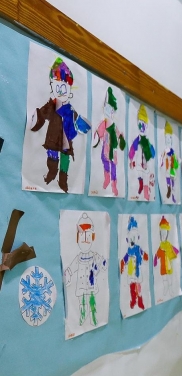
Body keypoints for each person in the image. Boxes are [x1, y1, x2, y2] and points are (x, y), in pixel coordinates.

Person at [30, 58, 91, 192]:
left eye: (64, 87)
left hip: (66, 143)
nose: (61, 90)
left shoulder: (70, 110)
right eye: (57, 86)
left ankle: (63, 181)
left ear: (70, 90)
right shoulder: (51, 106)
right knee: (52, 157)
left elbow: (78, 124)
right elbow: (41, 115)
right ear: (52, 87)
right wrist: (36, 120)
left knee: (65, 161)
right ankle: (51, 174)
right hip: (52, 139)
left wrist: (83, 126)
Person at [64, 213, 108, 326]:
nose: (85, 240)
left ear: (92, 237)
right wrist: (68, 273)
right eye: (82, 237)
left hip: (91, 284)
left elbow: (103, 262)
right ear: (77, 238)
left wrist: (101, 264)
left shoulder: (94, 255)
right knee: (82, 301)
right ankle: (83, 316)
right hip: (81, 284)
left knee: (92, 300)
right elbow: (71, 268)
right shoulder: (78, 258)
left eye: (87, 237)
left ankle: (93, 315)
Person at [92, 87, 125, 196]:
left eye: (110, 109)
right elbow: (98, 134)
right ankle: (107, 178)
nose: (108, 111)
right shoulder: (103, 124)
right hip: (104, 149)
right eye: (106, 108)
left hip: (113, 151)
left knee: (113, 166)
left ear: (113, 111)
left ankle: (114, 184)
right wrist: (97, 135)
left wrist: (121, 137)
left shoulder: (114, 127)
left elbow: (119, 134)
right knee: (105, 162)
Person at [119, 216, 149, 311]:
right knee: (132, 285)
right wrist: (123, 263)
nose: (132, 240)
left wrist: (145, 256)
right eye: (130, 238)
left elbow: (144, 255)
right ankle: (133, 299)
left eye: (134, 237)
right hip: (130, 271)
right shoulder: (128, 250)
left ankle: (139, 299)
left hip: (137, 271)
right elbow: (125, 259)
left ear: (137, 237)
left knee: (138, 286)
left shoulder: (138, 248)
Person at [129, 105, 155, 200]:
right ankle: (140, 184)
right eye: (140, 124)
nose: (142, 126)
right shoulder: (137, 139)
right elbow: (133, 148)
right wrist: (131, 157)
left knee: (146, 176)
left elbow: (152, 150)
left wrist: (152, 152)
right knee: (140, 175)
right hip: (139, 162)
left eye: (143, 124)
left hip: (146, 163)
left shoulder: (146, 141)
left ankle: (146, 192)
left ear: (146, 125)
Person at [153, 216, 179, 298]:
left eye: (165, 234)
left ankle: (170, 288)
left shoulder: (168, 245)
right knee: (164, 278)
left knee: (169, 278)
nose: (163, 236)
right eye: (162, 234)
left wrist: (175, 252)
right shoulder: (161, 245)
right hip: (163, 266)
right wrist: (155, 259)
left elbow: (174, 251)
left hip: (169, 266)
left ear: (167, 234)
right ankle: (165, 288)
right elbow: (157, 254)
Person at [160, 121, 180, 203]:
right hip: (167, 169)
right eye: (167, 138)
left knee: (173, 181)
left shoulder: (173, 152)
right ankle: (168, 188)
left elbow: (176, 164)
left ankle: (173, 195)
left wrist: (176, 162)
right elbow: (161, 159)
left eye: (170, 138)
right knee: (168, 178)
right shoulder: (165, 151)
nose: (168, 140)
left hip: (172, 171)